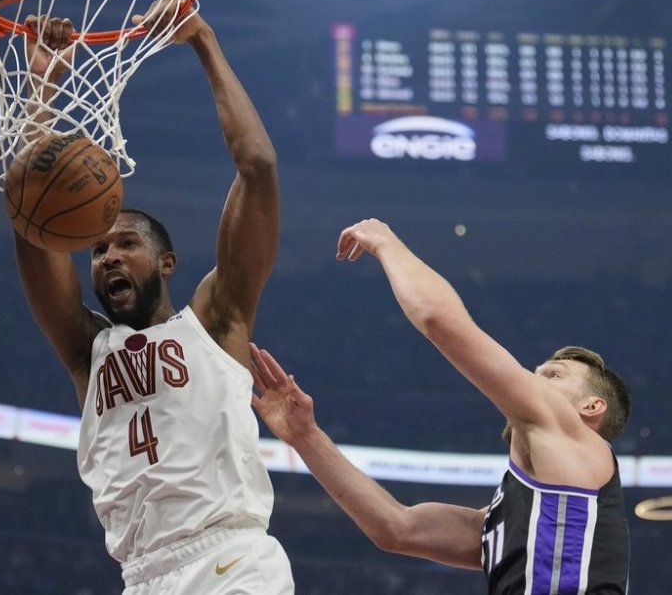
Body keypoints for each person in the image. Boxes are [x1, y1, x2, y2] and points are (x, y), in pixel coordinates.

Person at [11, 0, 294, 594]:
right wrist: (41, 85)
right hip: (141, 577)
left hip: (229, 560)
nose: (108, 255)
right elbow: (34, 227)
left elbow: (258, 167)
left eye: (126, 244)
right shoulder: (89, 350)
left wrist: (203, 42)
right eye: (96, 250)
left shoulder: (217, 322)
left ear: (166, 262)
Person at [249, 218, 631, 594]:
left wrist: (385, 241)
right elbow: (396, 528)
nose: (531, 381)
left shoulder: (575, 438)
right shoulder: (503, 521)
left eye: (553, 376)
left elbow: (439, 320)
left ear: (591, 407)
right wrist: (305, 436)